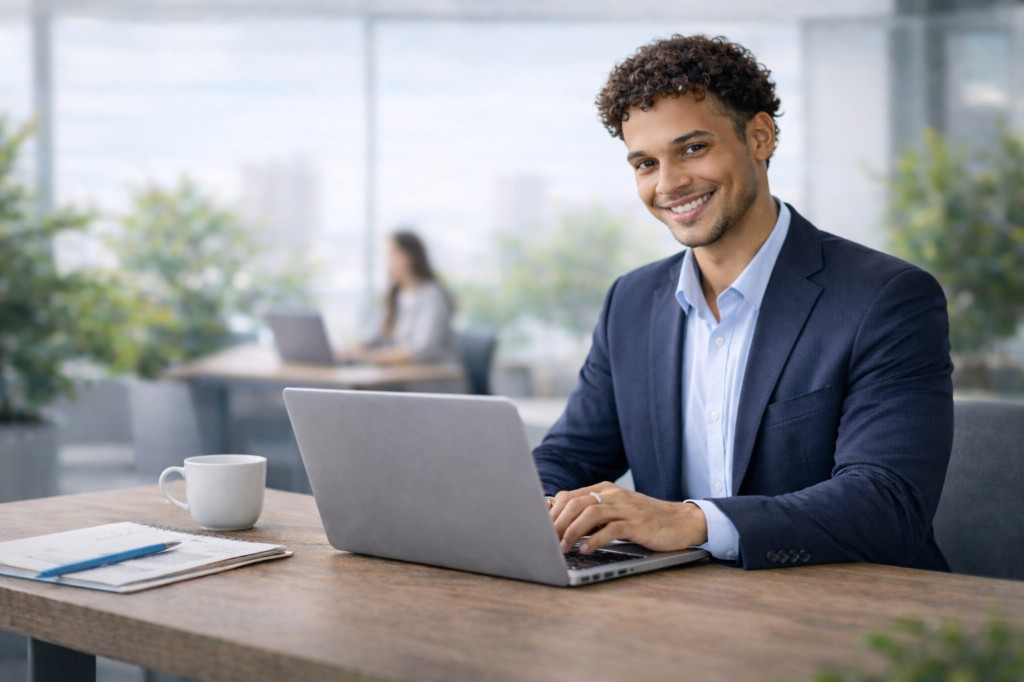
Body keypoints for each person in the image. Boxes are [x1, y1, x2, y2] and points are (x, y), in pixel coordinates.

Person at [533, 34, 954, 571]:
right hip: (677, 605)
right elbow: (569, 456)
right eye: (644, 163)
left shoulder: (885, 298)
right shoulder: (631, 302)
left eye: (693, 148)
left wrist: (690, 522)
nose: (669, 183)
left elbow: (887, 502)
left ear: (759, 136)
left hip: (853, 612)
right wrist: (536, 510)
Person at [343, 230, 456, 365]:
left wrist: (371, 356)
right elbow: (377, 337)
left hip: (432, 378)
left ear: (411, 256)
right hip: (400, 378)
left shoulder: (433, 296)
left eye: (393, 253)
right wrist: (353, 350)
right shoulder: (396, 295)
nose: (388, 261)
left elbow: (423, 350)